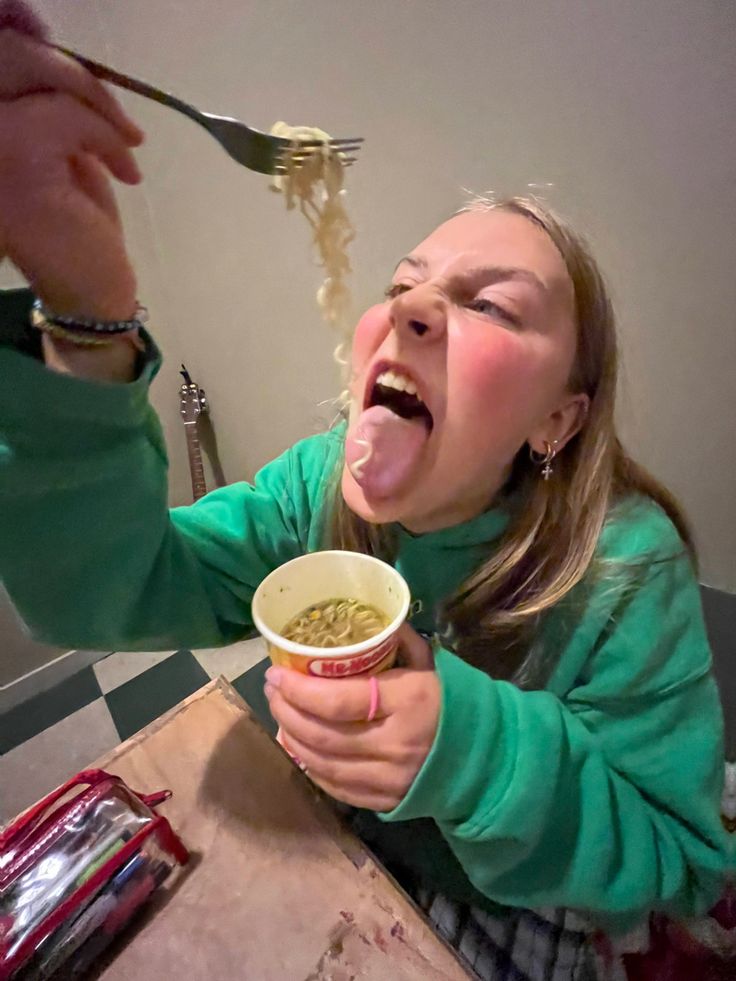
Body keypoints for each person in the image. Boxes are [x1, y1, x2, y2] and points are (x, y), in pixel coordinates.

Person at [0, 6, 728, 979]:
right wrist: (88, 314)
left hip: (534, 904)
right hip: (341, 855)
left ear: (556, 420)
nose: (416, 308)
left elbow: (678, 863)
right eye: (405, 283)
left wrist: (478, 750)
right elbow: (106, 591)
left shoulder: (624, 575)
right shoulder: (316, 488)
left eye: (489, 305)